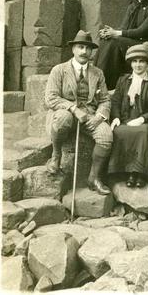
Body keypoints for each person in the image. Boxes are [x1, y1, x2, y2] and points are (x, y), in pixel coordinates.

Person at [45, 30, 113, 195]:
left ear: (91, 52)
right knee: (63, 119)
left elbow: (105, 100)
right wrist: (73, 109)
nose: (84, 51)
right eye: (80, 47)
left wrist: (98, 117)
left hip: (89, 115)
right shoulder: (59, 70)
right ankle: (55, 156)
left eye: (88, 48)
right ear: (73, 49)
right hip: (64, 112)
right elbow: (51, 98)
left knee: (106, 135)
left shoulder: (98, 73)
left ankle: (94, 177)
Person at [94, 0, 148, 90]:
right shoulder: (132, 7)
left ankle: (107, 85)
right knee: (107, 40)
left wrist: (116, 33)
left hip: (147, 45)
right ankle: (96, 80)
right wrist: (108, 32)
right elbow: (124, 27)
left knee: (114, 42)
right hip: (132, 41)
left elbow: (142, 31)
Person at [108, 42, 148, 188]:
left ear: (147, 63)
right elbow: (115, 102)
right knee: (118, 131)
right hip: (125, 119)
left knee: (142, 132)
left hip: (146, 121)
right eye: (135, 61)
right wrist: (117, 117)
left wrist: (141, 119)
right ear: (131, 63)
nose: (138, 65)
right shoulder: (123, 81)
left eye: (142, 61)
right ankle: (125, 173)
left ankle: (140, 174)